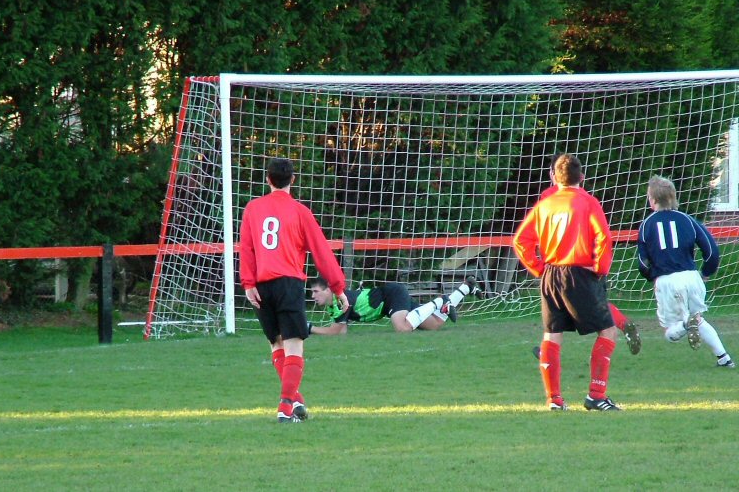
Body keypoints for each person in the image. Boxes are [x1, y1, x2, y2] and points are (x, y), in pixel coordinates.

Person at [239, 158, 350, 423]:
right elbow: (321, 252)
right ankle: (285, 408)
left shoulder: (253, 209)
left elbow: (246, 248)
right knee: (294, 347)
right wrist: (338, 287)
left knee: (276, 343)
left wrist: (248, 284)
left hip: (262, 286)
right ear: (293, 180)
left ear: (268, 180)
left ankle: (296, 401)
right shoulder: (300, 212)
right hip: (289, 284)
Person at [513, 153, 621, 411]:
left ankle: (554, 400)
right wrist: (600, 269)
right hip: (580, 274)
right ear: (581, 177)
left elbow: (521, 241)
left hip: (551, 274)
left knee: (552, 334)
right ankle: (596, 394)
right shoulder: (588, 202)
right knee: (608, 330)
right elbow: (603, 238)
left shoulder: (545, 205)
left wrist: (539, 269)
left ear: (556, 178)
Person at [531, 154, 641, 357]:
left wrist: (539, 265)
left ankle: (549, 357)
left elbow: (542, 230)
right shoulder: (583, 196)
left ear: (552, 174)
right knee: (594, 302)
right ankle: (624, 323)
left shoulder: (549, 195)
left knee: (559, 318)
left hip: (565, 264)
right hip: (590, 260)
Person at [637, 175, 734, 368]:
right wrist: (706, 272)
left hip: (666, 281)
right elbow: (712, 251)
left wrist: (652, 277)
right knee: (698, 319)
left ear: (653, 200)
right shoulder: (688, 220)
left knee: (670, 333)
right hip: (691, 277)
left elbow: (642, 262)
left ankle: (684, 325)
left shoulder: (647, 224)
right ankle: (724, 358)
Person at [308, 276, 483, 334]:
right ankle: (465, 288)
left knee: (402, 328)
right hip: (390, 299)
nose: (312, 296)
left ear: (328, 290)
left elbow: (335, 331)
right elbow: (341, 331)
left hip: (392, 296)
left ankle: (441, 301)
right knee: (435, 324)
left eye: (316, 291)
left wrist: (309, 328)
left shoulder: (340, 300)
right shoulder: (333, 306)